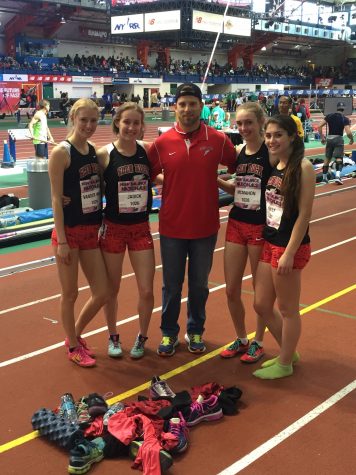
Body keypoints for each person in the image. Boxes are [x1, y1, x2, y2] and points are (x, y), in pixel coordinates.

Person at [148, 82, 237, 356]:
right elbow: (149, 173)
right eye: (182, 104)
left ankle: (195, 329)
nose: (187, 109)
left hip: (205, 227)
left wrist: (220, 183)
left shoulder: (218, 140)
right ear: (175, 107)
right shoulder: (161, 144)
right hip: (172, 227)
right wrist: (170, 181)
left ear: (201, 106)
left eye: (193, 104)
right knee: (171, 286)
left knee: (199, 285)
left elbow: (237, 166)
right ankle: (168, 333)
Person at [252, 114, 315, 379]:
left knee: (288, 309)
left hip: (289, 247)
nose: (272, 140)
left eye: (278, 134)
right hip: (270, 241)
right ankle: (288, 351)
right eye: (268, 135)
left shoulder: (303, 167)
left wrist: (289, 252)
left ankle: (286, 362)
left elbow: (304, 215)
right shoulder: (276, 163)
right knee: (262, 305)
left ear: (292, 136)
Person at [48, 98, 110, 367]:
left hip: (90, 231)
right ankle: (73, 345)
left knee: (102, 291)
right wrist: (61, 240)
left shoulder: (93, 150)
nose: (88, 125)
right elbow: (55, 199)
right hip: (69, 234)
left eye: (93, 120)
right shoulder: (62, 152)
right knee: (70, 293)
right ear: (73, 118)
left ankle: (75, 334)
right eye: (83, 119)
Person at [217, 102, 279, 364]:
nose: (243, 128)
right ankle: (241, 337)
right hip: (236, 223)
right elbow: (240, 190)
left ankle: (259, 341)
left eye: (248, 123)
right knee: (231, 289)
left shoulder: (271, 154)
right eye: (240, 123)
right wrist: (216, 181)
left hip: (259, 226)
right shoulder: (239, 152)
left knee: (259, 291)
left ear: (260, 122)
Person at [97, 103, 155, 359]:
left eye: (136, 123)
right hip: (114, 229)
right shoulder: (104, 154)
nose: (131, 127)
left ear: (142, 126)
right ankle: (113, 336)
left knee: (146, 290)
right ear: (117, 123)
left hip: (141, 228)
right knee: (111, 289)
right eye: (127, 122)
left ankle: (142, 337)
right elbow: (87, 183)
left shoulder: (148, 151)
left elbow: (160, 177)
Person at [317, 102, 354, 185]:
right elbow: (348, 132)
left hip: (329, 139)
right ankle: (337, 177)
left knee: (327, 158)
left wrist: (323, 137)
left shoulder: (329, 116)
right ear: (343, 109)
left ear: (337, 108)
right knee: (339, 158)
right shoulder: (344, 118)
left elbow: (319, 126)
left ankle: (324, 179)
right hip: (338, 139)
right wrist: (351, 139)